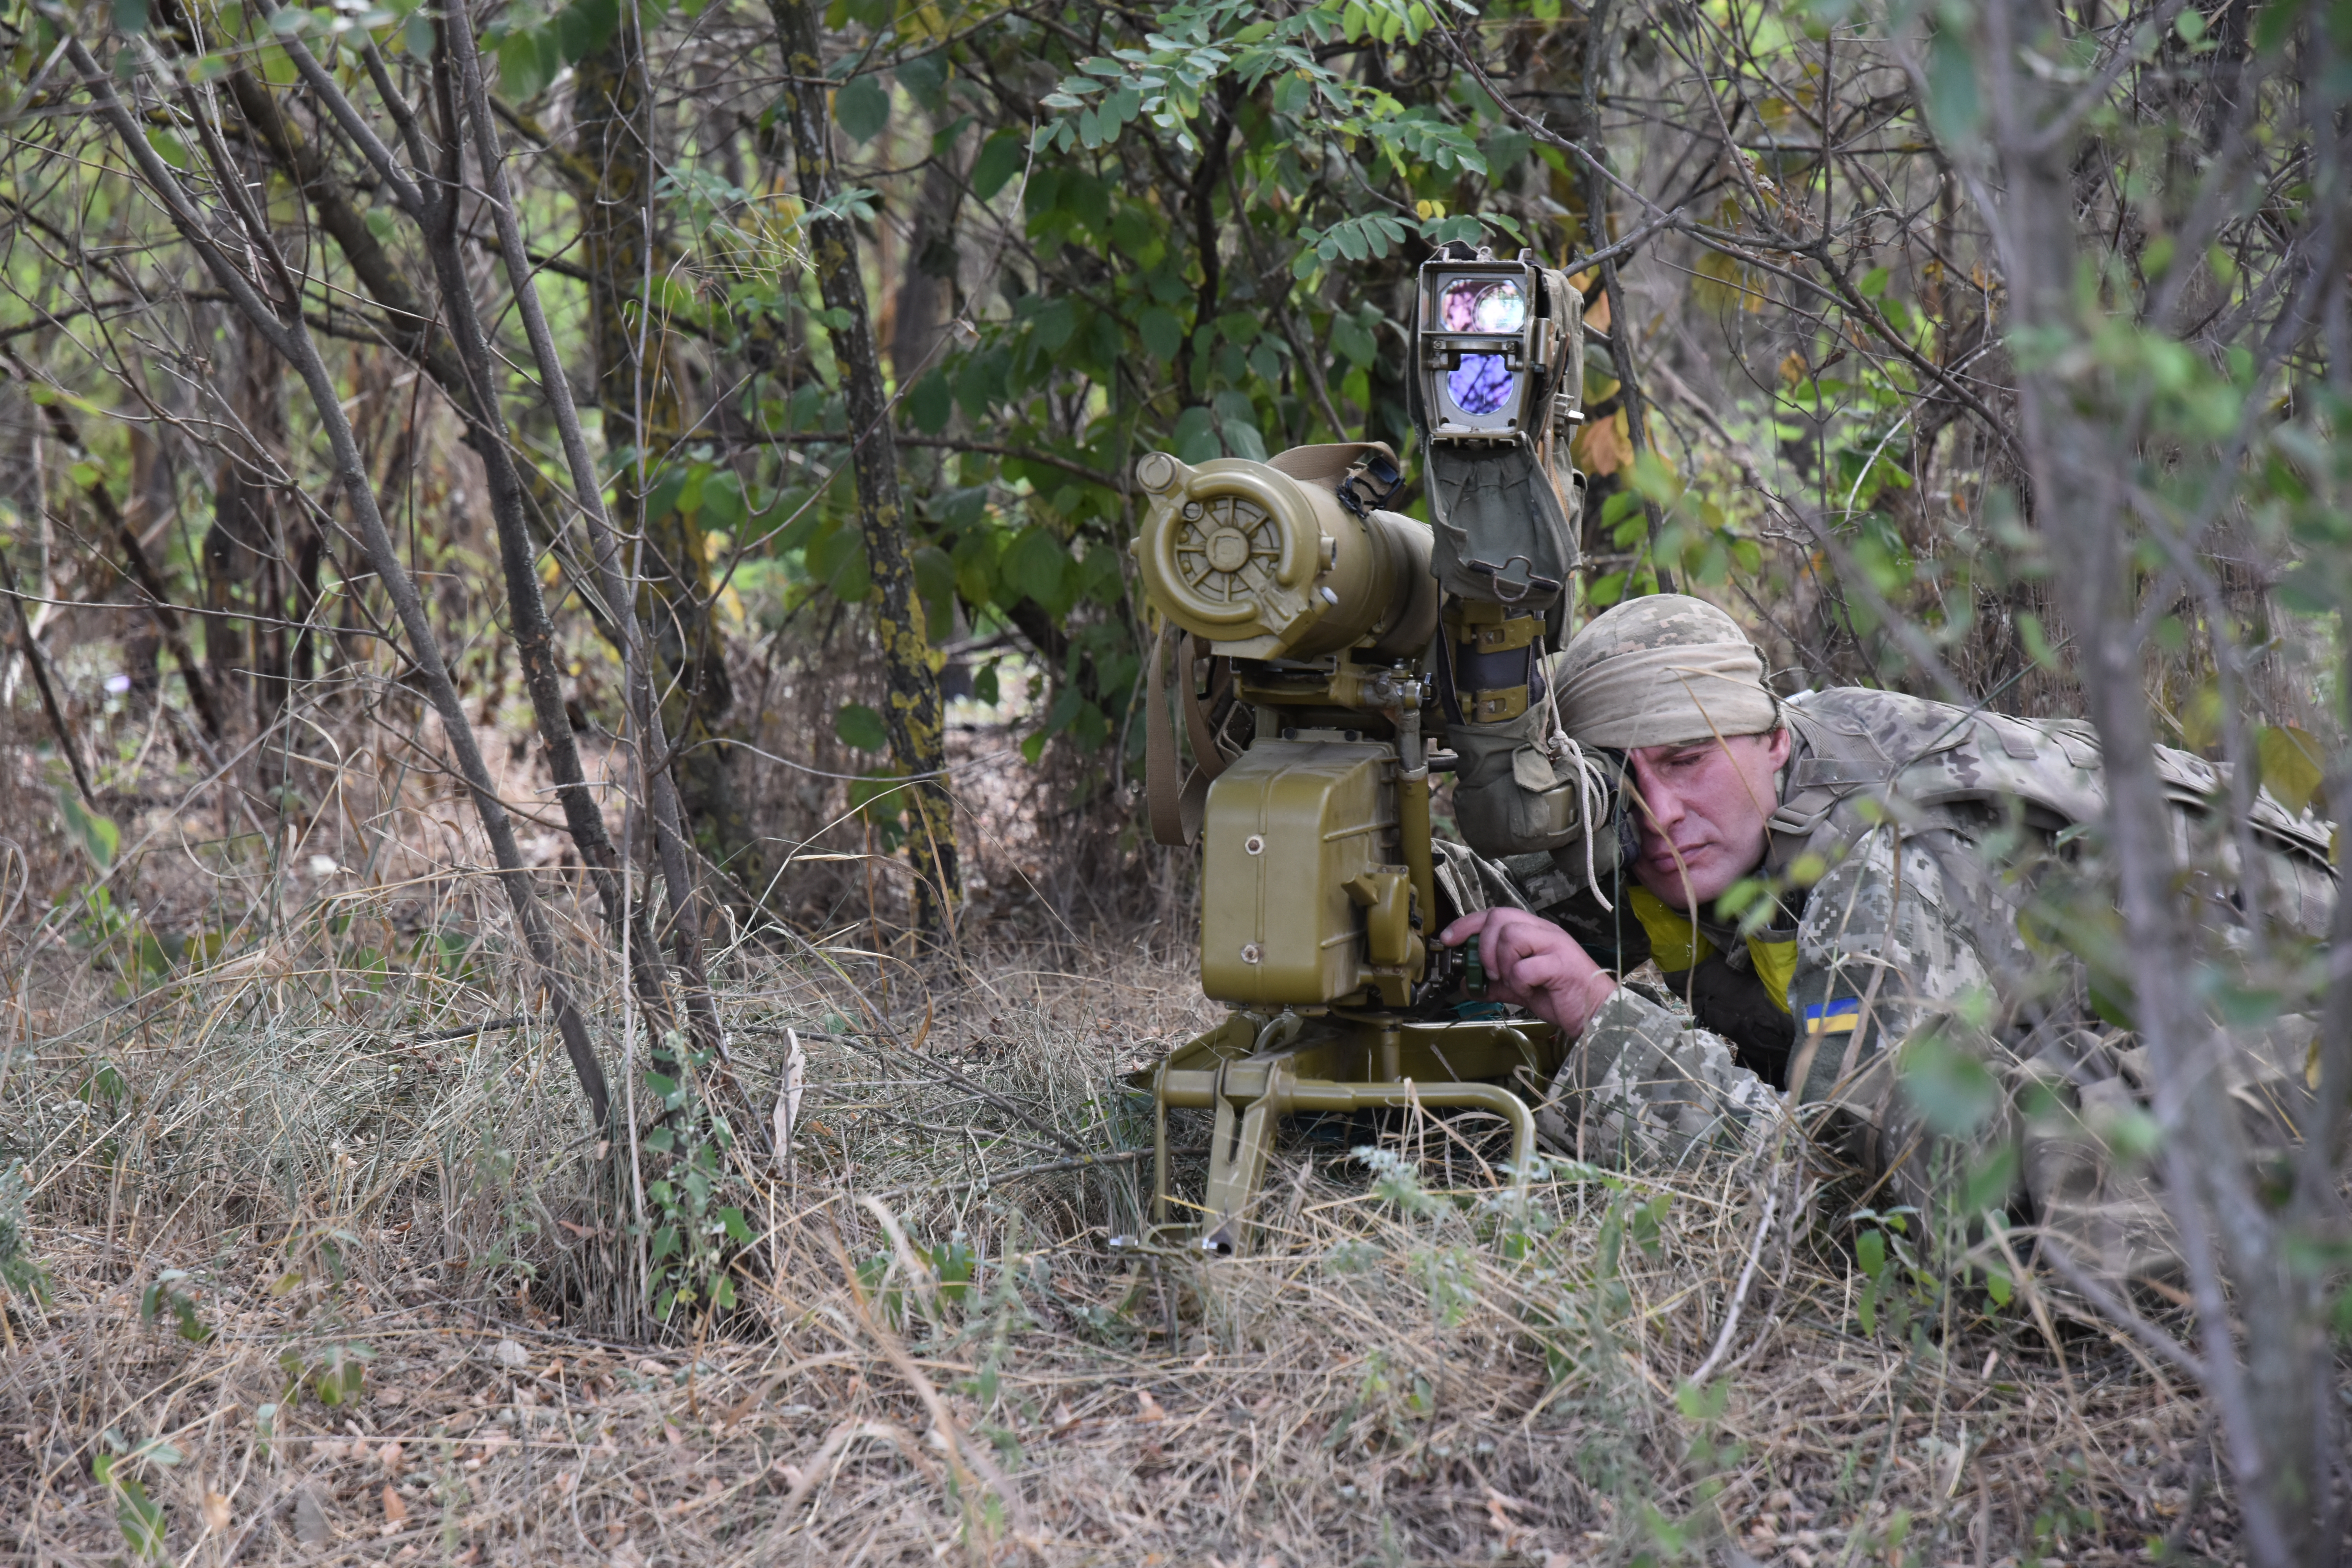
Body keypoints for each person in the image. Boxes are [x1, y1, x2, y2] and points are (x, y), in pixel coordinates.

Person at [1440, 595, 2335, 1280]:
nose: (1661, 812)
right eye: (1619, 781)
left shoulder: (1891, 859)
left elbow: (1844, 1202)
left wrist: (1602, 1019)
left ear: (1774, 744)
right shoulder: (1644, 828)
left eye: (1687, 760)